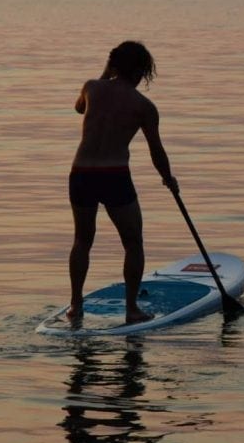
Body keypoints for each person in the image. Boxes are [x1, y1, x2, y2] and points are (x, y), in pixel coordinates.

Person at [67, 41, 179, 325]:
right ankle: (132, 309)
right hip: (114, 174)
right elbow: (156, 150)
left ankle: (75, 306)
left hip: (81, 172)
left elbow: (79, 109)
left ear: (114, 65)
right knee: (132, 242)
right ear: (141, 71)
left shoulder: (91, 87)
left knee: (82, 240)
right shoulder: (143, 106)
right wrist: (169, 179)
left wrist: (106, 72)